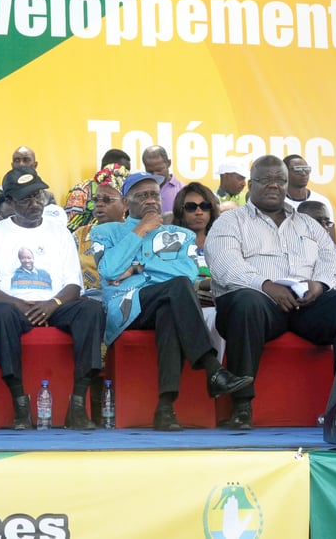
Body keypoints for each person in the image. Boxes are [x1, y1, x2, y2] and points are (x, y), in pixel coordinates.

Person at [206, 155, 336, 430]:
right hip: (259, 305)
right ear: (251, 183)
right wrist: (266, 286)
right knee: (246, 301)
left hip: (305, 304)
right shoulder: (231, 221)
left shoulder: (308, 224)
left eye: (279, 180)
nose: (274, 185)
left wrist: (319, 285)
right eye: (266, 179)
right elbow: (225, 265)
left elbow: (332, 261)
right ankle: (242, 406)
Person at [92, 173, 250, 430]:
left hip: (167, 302)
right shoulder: (105, 232)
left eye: (154, 194)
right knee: (174, 291)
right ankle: (213, 369)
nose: (151, 200)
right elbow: (109, 271)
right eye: (142, 196)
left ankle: (165, 408)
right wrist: (140, 229)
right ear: (124, 201)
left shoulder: (181, 235)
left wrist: (137, 268)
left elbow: (187, 273)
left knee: (170, 307)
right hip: (126, 307)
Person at [0, 167, 105, 430]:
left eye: (38, 196)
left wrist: (51, 305)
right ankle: (20, 403)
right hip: (12, 308)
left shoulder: (59, 232)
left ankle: (77, 404)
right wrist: (20, 305)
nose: (35, 203)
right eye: (25, 199)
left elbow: (73, 286)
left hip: (55, 306)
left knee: (91, 310)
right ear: (9, 201)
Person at [172, 181, 225, 356]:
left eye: (205, 206)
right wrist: (200, 285)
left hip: (219, 302)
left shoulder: (224, 241)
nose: (199, 211)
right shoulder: (169, 243)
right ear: (181, 211)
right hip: (185, 304)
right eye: (191, 207)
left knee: (221, 316)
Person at [74, 164, 128, 293]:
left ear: (126, 204)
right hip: (86, 302)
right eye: (96, 199)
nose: (99, 204)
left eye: (107, 200)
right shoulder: (80, 235)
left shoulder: (135, 234)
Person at [64, 149, 131, 232]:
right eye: (121, 170)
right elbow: (69, 225)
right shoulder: (81, 190)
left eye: (127, 170)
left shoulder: (128, 190)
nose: (124, 173)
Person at [281, 154, 334, 224]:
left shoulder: (321, 200)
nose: (303, 173)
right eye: (298, 169)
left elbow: (330, 229)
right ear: (284, 172)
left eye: (306, 169)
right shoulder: (278, 201)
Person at [142, 146, 184, 212]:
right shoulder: (140, 191)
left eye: (159, 170)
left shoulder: (183, 190)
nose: (155, 175)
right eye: (150, 171)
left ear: (168, 163)